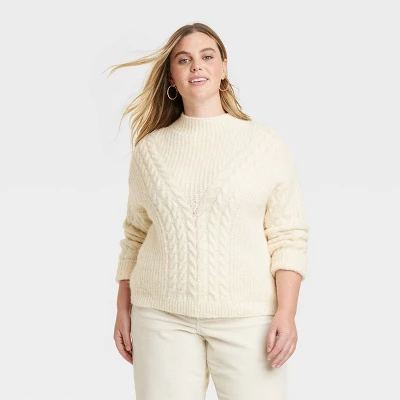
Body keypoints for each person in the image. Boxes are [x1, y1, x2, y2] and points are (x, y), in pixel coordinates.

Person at [108, 22, 309, 400]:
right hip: (160, 316)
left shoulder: (263, 144)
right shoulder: (150, 150)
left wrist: (287, 312)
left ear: (223, 68)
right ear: (172, 75)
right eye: (184, 60)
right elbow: (135, 234)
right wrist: (122, 308)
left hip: (248, 317)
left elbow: (288, 235)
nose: (196, 66)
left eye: (207, 56)